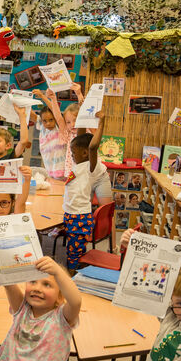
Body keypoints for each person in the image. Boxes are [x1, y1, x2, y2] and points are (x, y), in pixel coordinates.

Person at [61, 113, 107, 273]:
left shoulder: (90, 167)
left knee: (74, 251)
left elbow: (92, 146)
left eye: (73, 153)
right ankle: (76, 268)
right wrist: (82, 115)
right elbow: (81, 137)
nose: (72, 156)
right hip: (71, 213)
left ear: (85, 153)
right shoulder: (80, 164)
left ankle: (72, 275)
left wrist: (102, 122)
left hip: (79, 216)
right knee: (73, 247)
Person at [33, 89, 71, 180]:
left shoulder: (60, 129)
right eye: (45, 121)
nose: (48, 123)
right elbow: (30, 115)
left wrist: (43, 97)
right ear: (41, 121)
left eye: (51, 120)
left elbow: (56, 113)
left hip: (63, 172)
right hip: (50, 171)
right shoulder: (42, 128)